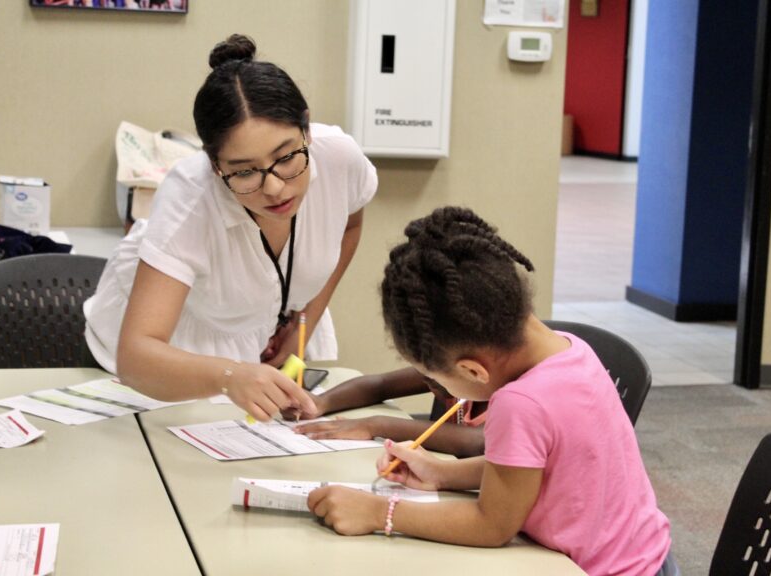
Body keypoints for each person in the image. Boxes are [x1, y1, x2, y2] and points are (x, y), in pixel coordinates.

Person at [307, 207, 679, 576]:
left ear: (472, 370)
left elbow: (492, 525)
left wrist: (377, 513)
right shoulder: (571, 350)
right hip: (651, 558)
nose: (440, 388)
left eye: (436, 379)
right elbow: (537, 467)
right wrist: (442, 474)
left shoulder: (521, 402)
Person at [84, 34, 378, 423]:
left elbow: (350, 225)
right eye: (244, 171)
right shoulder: (191, 200)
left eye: (286, 157)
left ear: (306, 128)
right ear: (214, 163)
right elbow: (137, 356)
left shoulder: (340, 158)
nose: (274, 187)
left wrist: (304, 319)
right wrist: (229, 376)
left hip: (251, 349)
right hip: (166, 361)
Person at [288, 367, 487, 457]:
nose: (431, 387)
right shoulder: (445, 367)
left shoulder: (511, 394)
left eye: (432, 380)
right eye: (425, 378)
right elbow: (380, 385)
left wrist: (375, 425)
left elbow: (478, 441)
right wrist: (321, 402)